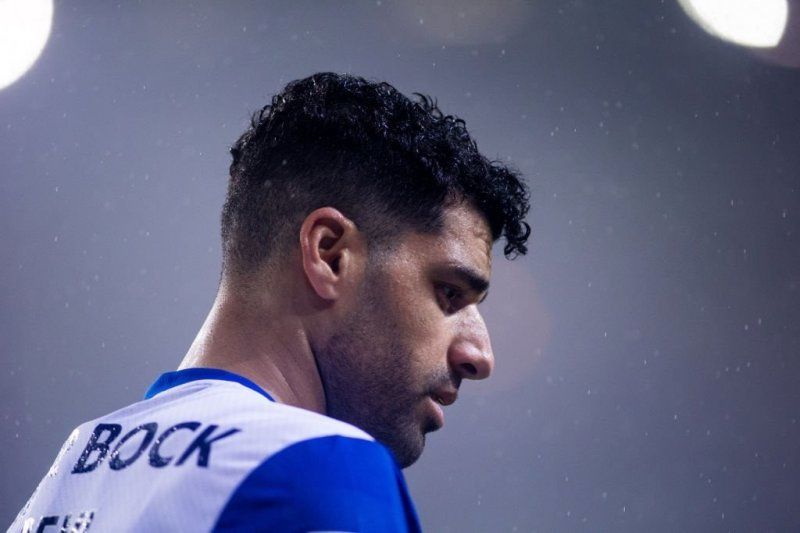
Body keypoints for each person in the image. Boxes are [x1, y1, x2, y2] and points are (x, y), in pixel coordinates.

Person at [10, 72, 530, 532]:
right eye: (449, 293)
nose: (480, 355)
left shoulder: (71, 472)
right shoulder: (323, 466)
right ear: (330, 254)